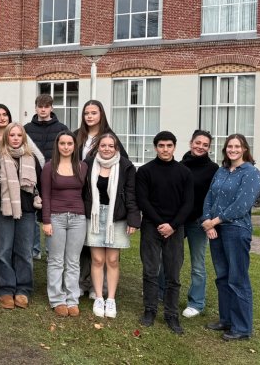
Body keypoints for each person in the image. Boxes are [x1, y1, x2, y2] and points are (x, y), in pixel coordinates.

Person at [201, 134, 260, 342]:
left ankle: (242, 327)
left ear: (244, 149)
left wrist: (215, 221)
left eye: (237, 146)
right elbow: (210, 196)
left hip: (236, 230)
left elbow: (242, 205)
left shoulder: (251, 173)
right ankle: (226, 319)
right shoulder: (221, 170)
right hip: (216, 230)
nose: (233, 149)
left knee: (238, 278)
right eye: (229, 146)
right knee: (222, 277)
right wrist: (207, 221)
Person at [136, 131, 194, 335]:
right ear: (155, 147)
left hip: (176, 229)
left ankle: (171, 314)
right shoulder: (144, 171)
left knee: (173, 274)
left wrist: (173, 225)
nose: (165, 149)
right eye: (161, 146)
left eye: (169, 146)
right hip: (152, 226)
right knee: (150, 271)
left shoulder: (184, 172)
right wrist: (161, 223)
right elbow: (143, 200)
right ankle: (150, 310)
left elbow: (188, 203)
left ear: (175, 147)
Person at [72, 100, 126, 299]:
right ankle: (82, 282)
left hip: (107, 201)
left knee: (106, 248)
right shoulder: (78, 136)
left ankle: (100, 288)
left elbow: (123, 165)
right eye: (86, 112)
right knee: (86, 244)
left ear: (101, 115)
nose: (89, 116)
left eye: (94, 112)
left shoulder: (109, 138)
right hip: (84, 196)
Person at [0, 105, 43, 286]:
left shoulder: (31, 158)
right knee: (3, 251)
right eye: (12, 135)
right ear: (6, 138)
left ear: (24, 138)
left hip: (26, 211)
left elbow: (40, 185)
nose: (16, 138)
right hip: (2, 210)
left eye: (19, 135)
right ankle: (5, 287)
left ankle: (23, 288)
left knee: (24, 252)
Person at [84, 133, 140, 319]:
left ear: (116, 148)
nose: (106, 148)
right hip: (94, 215)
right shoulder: (89, 163)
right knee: (98, 259)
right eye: (103, 145)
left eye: (110, 145)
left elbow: (131, 193)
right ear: (97, 147)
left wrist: (133, 218)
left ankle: (111, 299)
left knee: (113, 260)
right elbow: (83, 190)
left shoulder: (126, 166)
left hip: (116, 217)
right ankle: (99, 297)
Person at [167, 130, 218, 318]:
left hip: (199, 222)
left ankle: (196, 302)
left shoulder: (213, 169)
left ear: (209, 148)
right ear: (191, 143)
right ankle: (164, 293)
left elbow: (213, 197)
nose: (201, 147)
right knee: (171, 260)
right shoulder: (180, 165)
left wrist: (209, 220)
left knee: (197, 264)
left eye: (205, 145)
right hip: (179, 221)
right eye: (198, 143)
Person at [40, 131, 87, 317]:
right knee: (56, 260)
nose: (66, 147)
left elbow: (85, 194)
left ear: (74, 146)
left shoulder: (82, 167)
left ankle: (72, 299)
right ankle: (57, 299)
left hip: (78, 218)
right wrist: (46, 220)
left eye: (70, 143)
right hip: (56, 218)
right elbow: (45, 195)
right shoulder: (49, 167)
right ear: (57, 145)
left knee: (73, 261)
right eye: (62, 143)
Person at [25, 94, 68, 261]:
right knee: (32, 214)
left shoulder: (62, 128)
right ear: (35, 108)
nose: (43, 109)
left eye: (46, 106)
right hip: (32, 176)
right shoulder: (26, 128)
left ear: (51, 108)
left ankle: (52, 250)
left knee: (52, 215)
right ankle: (35, 250)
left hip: (54, 178)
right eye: (40, 106)